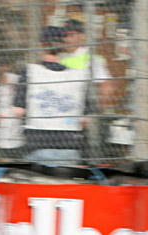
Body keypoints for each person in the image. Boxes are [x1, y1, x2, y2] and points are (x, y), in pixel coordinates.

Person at [11, 25, 87, 164]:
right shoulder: (80, 75)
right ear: (63, 46)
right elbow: (86, 119)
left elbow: (18, 111)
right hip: (70, 144)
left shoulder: (30, 71)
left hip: (38, 143)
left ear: (41, 46)